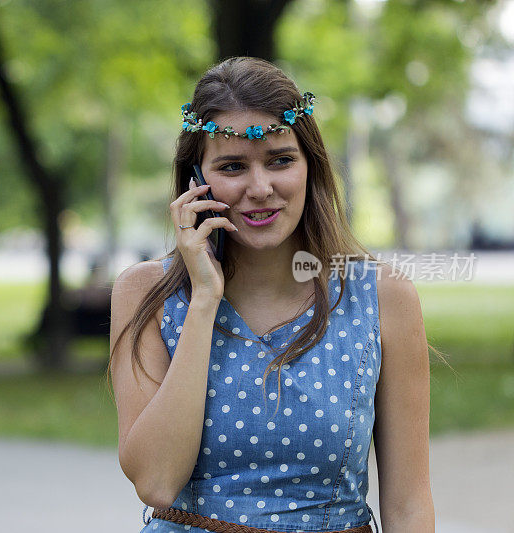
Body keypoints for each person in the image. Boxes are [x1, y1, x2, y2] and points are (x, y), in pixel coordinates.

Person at [107, 57, 435, 532]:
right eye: (233, 167)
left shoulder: (382, 297)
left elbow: (408, 505)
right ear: (196, 182)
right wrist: (203, 301)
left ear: (310, 168)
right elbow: (156, 481)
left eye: (281, 160)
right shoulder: (146, 293)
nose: (260, 189)